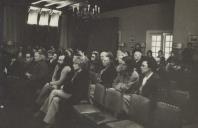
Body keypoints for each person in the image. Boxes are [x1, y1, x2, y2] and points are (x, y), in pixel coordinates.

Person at [40, 55, 89, 127]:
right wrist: (65, 87)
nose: (73, 65)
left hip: (75, 96)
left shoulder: (83, 75)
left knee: (54, 92)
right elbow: (68, 83)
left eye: (75, 63)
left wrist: (64, 87)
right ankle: (49, 121)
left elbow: (75, 89)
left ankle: (44, 112)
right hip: (70, 93)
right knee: (55, 100)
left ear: (80, 65)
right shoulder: (76, 72)